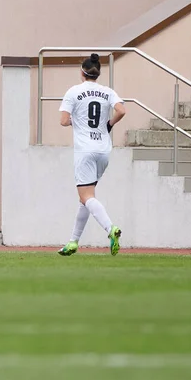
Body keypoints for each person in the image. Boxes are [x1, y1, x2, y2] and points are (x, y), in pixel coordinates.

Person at [57, 53, 126, 256]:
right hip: (103, 150)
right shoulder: (107, 91)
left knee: (86, 196)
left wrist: (75, 122)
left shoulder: (74, 92)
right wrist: (109, 124)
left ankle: (110, 229)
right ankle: (73, 242)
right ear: (98, 73)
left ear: (82, 72)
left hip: (85, 150)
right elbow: (121, 110)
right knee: (86, 198)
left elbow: (63, 120)